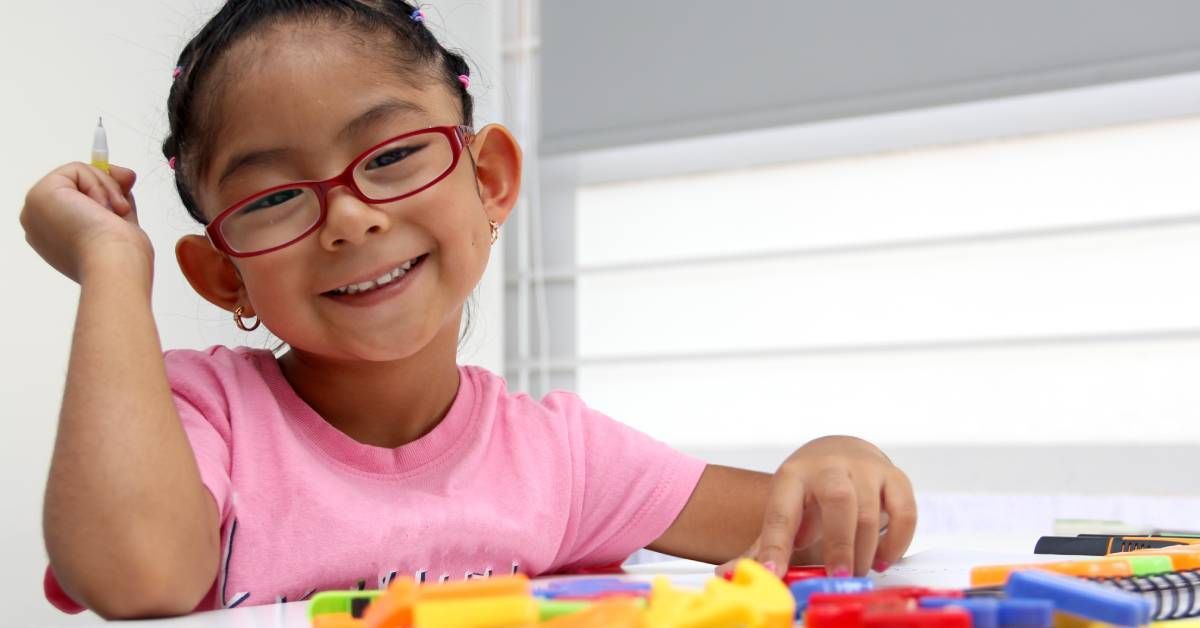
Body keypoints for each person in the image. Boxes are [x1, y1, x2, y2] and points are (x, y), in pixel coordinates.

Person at [19, 1, 917, 619]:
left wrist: (842, 466)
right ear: (224, 279)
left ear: (489, 181)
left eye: (394, 155)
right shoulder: (198, 421)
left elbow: (815, 538)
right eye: (273, 200)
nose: (350, 216)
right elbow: (134, 578)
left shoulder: (562, 460)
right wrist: (109, 267)